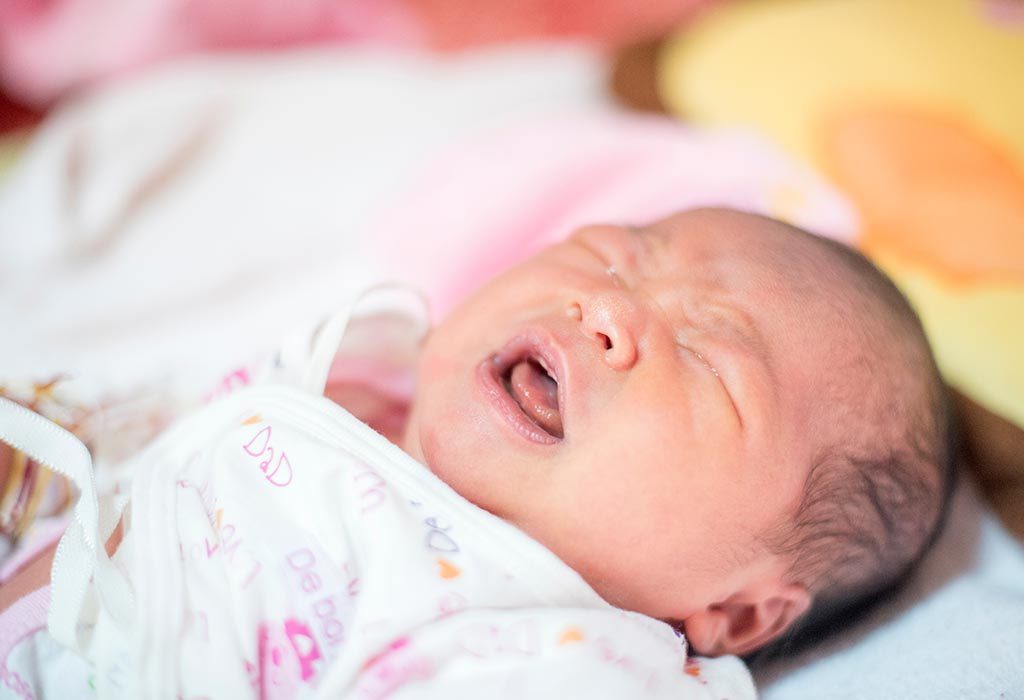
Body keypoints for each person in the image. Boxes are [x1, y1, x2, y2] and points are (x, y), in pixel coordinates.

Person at [0, 208, 953, 698]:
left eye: (710, 361)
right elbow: (130, 450)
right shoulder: (352, 382)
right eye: (611, 253)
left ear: (740, 609)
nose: (611, 307)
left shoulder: (559, 653)